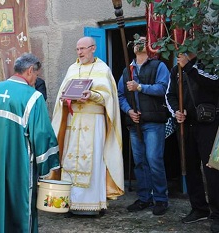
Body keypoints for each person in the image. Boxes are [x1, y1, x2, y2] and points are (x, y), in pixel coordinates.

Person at [0, 53, 60, 233]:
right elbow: (42, 134)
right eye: (36, 75)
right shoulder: (33, 97)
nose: (36, 80)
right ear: (30, 71)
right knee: (21, 206)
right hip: (20, 166)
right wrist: (47, 166)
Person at [51, 36, 124, 216]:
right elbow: (64, 94)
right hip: (73, 123)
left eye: (83, 49)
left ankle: (93, 205)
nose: (79, 52)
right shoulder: (72, 69)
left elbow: (109, 98)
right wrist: (64, 99)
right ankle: (70, 203)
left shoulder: (103, 69)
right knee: (69, 160)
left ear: (93, 48)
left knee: (93, 161)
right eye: (77, 49)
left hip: (94, 124)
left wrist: (92, 95)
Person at [166, 52, 219, 232]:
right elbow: (170, 95)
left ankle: (217, 213)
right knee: (190, 168)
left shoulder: (209, 63)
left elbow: (214, 84)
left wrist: (189, 67)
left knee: (212, 170)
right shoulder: (175, 70)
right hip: (186, 125)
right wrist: (176, 112)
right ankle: (199, 208)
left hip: (209, 124)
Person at [117, 35, 170, 215]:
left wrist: (140, 87)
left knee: (154, 160)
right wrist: (129, 111)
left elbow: (164, 88)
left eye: (142, 41)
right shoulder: (127, 70)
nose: (138, 44)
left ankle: (161, 200)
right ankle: (144, 198)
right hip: (135, 123)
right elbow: (121, 95)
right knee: (140, 162)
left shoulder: (158, 66)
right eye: (136, 42)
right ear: (133, 48)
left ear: (148, 46)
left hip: (154, 122)